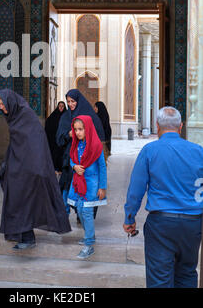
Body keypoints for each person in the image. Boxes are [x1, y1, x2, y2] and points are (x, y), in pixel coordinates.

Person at [123, 106, 203, 288]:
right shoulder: (198, 151)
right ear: (181, 126)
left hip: (161, 225)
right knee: (188, 273)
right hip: (193, 224)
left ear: (157, 126)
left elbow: (136, 189)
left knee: (160, 279)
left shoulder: (150, 150)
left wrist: (130, 217)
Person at [0, 89, 71, 250]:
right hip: (17, 166)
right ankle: (19, 233)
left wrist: (35, 167)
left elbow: (35, 143)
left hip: (30, 169)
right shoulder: (15, 116)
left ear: (10, 101)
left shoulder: (26, 116)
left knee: (23, 201)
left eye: (2, 104)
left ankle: (27, 237)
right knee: (15, 199)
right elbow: (17, 144)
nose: (1, 108)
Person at [56, 89, 106, 220]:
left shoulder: (89, 116)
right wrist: (69, 134)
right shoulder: (66, 117)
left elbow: (98, 136)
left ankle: (84, 215)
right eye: (68, 102)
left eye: (73, 101)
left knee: (88, 187)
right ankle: (65, 215)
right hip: (71, 159)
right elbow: (59, 139)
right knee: (67, 187)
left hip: (88, 160)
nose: (71, 104)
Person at [67, 115, 107, 259]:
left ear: (88, 129)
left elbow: (102, 167)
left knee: (87, 212)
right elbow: (72, 159)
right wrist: (74, 166)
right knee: (79, 209)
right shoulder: (76, 144)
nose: (77, 133)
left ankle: (89, 245)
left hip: (91, 184)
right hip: (78, 183)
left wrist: (102, 187)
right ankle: (90, 235)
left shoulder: (96, 146)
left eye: (81, 129)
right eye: (76, 129)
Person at [45, 101, 66, 174]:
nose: (61, 107)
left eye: (62, 106)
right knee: (54, 154)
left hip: (63, 141)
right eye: (59, 106)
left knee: (62, 155)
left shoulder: (66, 116)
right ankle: (54, 169)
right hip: (54, 141)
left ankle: (61, 169)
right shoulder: (53, 116)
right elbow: (48, 126)